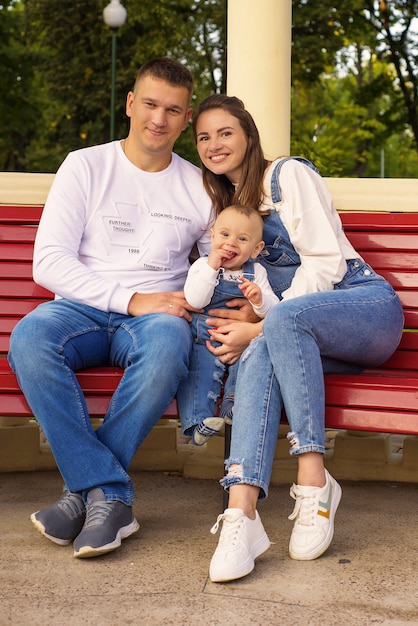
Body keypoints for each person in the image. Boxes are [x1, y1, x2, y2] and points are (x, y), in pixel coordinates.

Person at [191, 94, 404, 582]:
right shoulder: (230, 209)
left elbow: (327, 264)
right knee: (265, 346)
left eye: (226, 132)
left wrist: (262, 324)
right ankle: (241, 513)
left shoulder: (287, 176)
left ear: (248, 135)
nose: (215, 144)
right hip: (302, 336)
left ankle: (314, 479)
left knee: (273, 332)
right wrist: (252, 320)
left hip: (363, 310)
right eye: (204, 136)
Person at [8, 58, 213, 559]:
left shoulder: (200, 187)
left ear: (187, 119)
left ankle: (83, 496)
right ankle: (111, 493)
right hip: (79, 308)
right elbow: (48, 262)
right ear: (129, 103)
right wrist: (129, 298)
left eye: (172, 110)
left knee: (170, 343)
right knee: (29, 339)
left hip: (153, 320)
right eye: (149, 104)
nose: (158, 119)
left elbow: (213, 269)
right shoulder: (85, 165)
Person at [177, 204, 279, 445]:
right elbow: (195, 299)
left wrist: (259, 300)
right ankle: (197, 423)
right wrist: (212, 268)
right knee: (199, 374)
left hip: (242, 341)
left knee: (244, 370)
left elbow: (273, 310)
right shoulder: (202, 266)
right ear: (212, 236)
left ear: (256, 249)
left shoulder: (257, 272)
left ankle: (231, 408)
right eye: (224, 235)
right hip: (204, 339)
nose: (231, 243)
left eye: (242, 239)